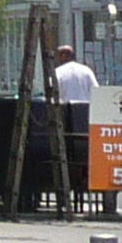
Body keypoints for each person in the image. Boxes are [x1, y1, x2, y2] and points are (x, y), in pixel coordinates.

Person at [53, 44, 97, 203]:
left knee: (66, 155)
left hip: (65, 120)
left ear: (63, 56)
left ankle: (66, 189)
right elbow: (96, 93)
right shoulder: (86, 71)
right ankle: (84, 181)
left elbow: (51, 96)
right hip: (86, 120)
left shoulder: (58, 73)